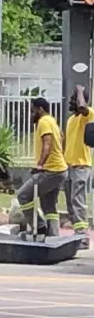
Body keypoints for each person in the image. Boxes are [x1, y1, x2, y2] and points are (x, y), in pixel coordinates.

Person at [15, 98, 68, 237]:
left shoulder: (44, 122)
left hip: (50, 171)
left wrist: (40, 164)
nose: (31, 114)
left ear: (40, 109)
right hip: (60, 170)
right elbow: (62, 138)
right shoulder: (52, 121)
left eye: (33, 111)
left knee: (23, 195)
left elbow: (47, 143)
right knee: (49, 206)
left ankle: (39, 226)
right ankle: (53, 238)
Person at [63, 85, 93, 248]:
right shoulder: (71, 120)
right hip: (69, 165)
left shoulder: (87, 115)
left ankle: (83, 236)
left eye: (74, 99)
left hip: (82, 165)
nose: (71, 101)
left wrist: (80, 91)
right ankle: (77, 235)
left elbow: (83, 107)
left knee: (78, 200)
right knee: (70, 201)